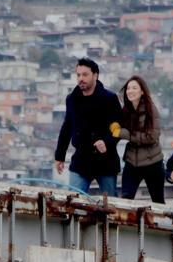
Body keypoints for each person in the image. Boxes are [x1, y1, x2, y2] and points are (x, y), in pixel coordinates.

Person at [54, 58, 123, 196]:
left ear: (95, 75)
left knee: (111, 205)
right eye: (78, 75)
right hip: (81, 159)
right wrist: (59, 156)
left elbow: (118, 127)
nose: (81, 78)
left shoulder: (109, 98)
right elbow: (67, 127)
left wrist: (107, 142)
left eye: (85, 75)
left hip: (105, 159)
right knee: (73, 201)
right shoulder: (72, 99)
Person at [111, 76, 165, 203]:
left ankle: (155, 224)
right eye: (128, 88)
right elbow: (117, 129)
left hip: (153, 162)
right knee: (126, 200)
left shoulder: (151, 109)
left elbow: (152, 136)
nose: (130, 91)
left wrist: (124, 134)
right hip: (132, 162)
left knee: (158, 202)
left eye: (134, 88)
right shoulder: (126, 110)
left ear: (142, 91)